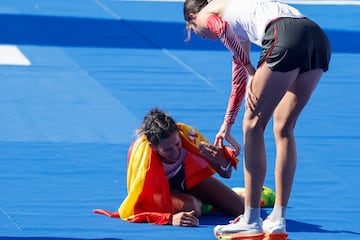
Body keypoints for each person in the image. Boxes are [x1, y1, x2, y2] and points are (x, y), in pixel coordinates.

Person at [183, 0, 331, 237]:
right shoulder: (237, 14)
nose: (199, 34)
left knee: (253, 126)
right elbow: (238, 79)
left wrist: (250, 66)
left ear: (192, 16)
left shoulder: (206, 13)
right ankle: (277, 219)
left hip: (285, 34)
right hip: (317, 38)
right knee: (283, 129)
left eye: (192, 31)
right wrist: (227, 123)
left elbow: (220, 30)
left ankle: (251, 218)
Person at [95, 108, 274, 227]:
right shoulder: (143, 161)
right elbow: (134, 208)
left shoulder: (188, 137)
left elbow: (226, 173)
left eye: (177, 144)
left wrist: (218, 159)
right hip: (159, 190)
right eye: (167, 149)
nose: (174, 151)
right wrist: (170, 218)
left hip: (187, 178)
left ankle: (231, 195)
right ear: (153, 146)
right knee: (193, 208)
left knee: (241, 209)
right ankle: (200, 201)